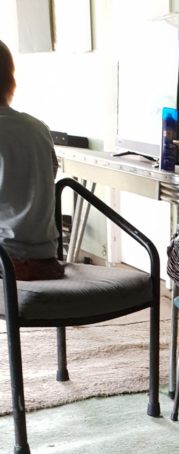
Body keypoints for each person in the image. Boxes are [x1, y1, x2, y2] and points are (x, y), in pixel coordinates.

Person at [0, 39, 63, 280]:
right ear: (10, 81)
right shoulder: (38, 128)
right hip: (46, 260)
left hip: (7, 263)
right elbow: (50, 176)